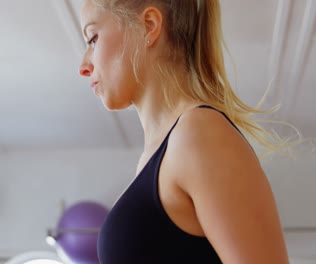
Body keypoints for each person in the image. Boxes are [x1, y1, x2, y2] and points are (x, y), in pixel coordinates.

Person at [78, 0, 290, 263]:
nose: (83, 65)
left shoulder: (199, 134)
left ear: (148, 26)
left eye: (92, 39)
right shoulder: (156, 157)